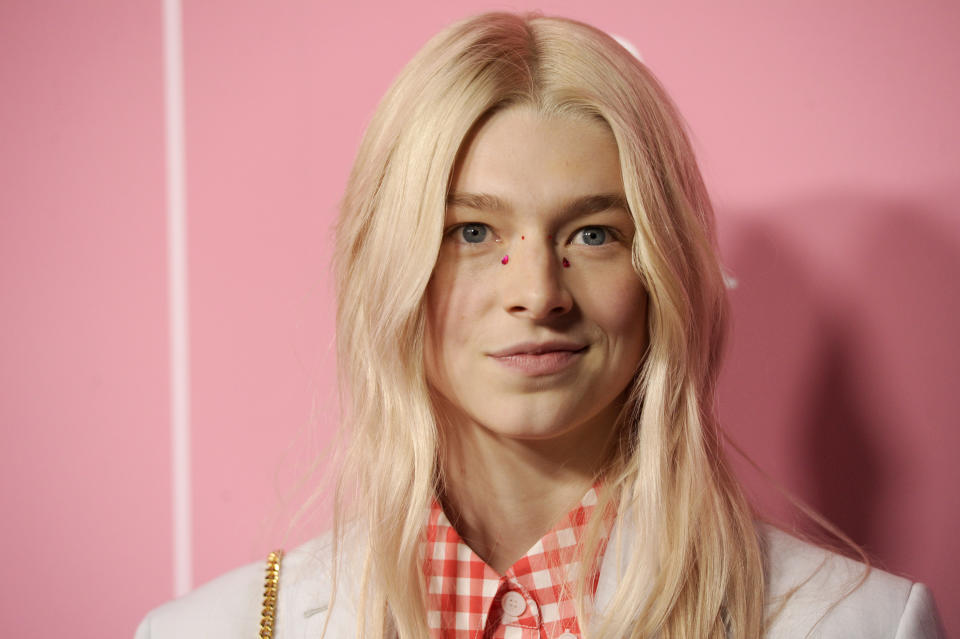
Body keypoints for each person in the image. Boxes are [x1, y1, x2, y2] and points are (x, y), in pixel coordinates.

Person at [136, 11, 946, 639]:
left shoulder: (861, 624)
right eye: (472, 232)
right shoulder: (210, 629)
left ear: (661, 269)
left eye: (593, 233)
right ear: (389, 267)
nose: (537, 292)